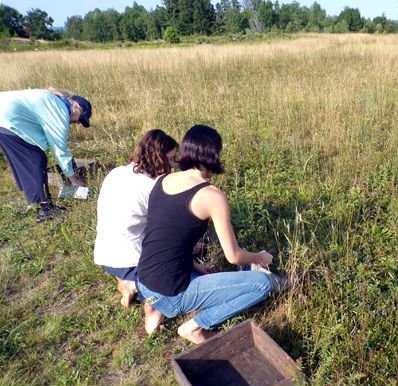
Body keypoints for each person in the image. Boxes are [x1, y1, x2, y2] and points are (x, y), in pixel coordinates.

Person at [136, 125, 286, 344]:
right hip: (173, 291)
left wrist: (193, 265)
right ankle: (195, 327)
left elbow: (167, 238)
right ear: (213, 155)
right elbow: (233, 256)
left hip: (143, 280)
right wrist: (259, 257)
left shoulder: (162, 181)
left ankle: (154, 308)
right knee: (262, 284)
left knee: (193, 278)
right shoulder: (211, 196)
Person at [94, 129, 178, 308]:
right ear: (158, 158)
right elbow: (165, 235)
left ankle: (126, 278)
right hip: (129, 259)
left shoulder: (117, 172)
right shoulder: (152, 188)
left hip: (104, 254)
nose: (173, 165)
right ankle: (133, 285)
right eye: (171, 159)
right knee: (174, 281)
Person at [0, 87, 92, 222]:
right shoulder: (59, 111)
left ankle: (35, 199)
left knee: (27, 159)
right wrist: (74, 181)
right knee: (35, 159)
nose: (77, 123)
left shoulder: (54, 103)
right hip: (7, 118)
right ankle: (46, 209)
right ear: (76, 107)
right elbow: (60, 151)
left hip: (5, 118)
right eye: (80, 119)